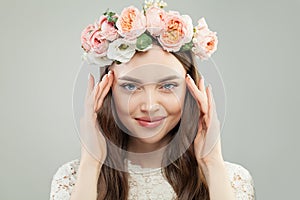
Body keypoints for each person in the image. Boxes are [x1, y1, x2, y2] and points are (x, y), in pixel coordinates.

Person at [50, 1, 255, 199]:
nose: (149, 106)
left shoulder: (232, 179)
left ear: (191, 91)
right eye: (130, 86)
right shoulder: (72, 179)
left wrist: (212, 164)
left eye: (167, 86)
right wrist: (91, 164)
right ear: (107, 92)